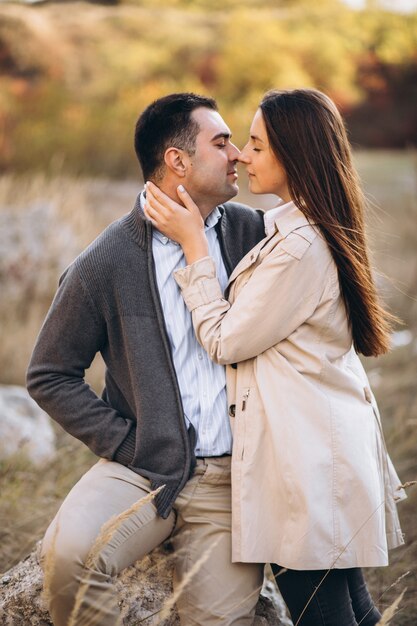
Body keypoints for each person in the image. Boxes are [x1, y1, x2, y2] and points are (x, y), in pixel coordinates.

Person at [144, 88, 406, 626]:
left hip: (305, 464)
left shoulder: (298, 247)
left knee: (325, 616)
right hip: (313, 452)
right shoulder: (296, 229)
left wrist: (194, 247)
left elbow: (224, 341)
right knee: (356, 612)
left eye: (257, 146)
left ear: (295, 155)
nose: (242, 154)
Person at [26, 92, 268, 626]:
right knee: (69, 558)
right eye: (221, 141)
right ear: (177, 160)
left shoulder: (254, 235)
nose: (237, 155)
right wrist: (126, 442)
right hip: (141, 472)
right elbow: (49, 374)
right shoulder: (105, 262)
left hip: (230, 481)